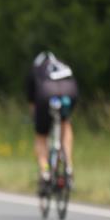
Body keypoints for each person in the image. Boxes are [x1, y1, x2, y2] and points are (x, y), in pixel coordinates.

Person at [27, 51, 78, 194]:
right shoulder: (62, 64)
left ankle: (45, 172)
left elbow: (32, 103)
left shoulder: (36, 69)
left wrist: (38, 120)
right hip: (70, 91)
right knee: (65, 123)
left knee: (41, 136)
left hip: (46, 92)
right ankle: (68, 166)